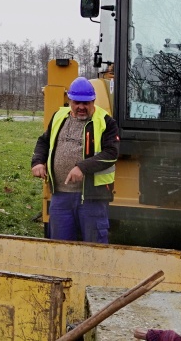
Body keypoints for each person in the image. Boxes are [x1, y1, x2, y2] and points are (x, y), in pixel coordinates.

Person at [31, 76, 119, 243]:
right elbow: (44, 141)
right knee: (60, 247)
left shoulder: (106, 122)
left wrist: (82, 167)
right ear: (70, 101)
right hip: (60, 197)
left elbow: (111, 153)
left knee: (94, 248)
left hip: (92, 198)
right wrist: (37, 162)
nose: (81, 107)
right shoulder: (59, 116)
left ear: (93, 101)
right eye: (77, 102)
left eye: (86, 103)